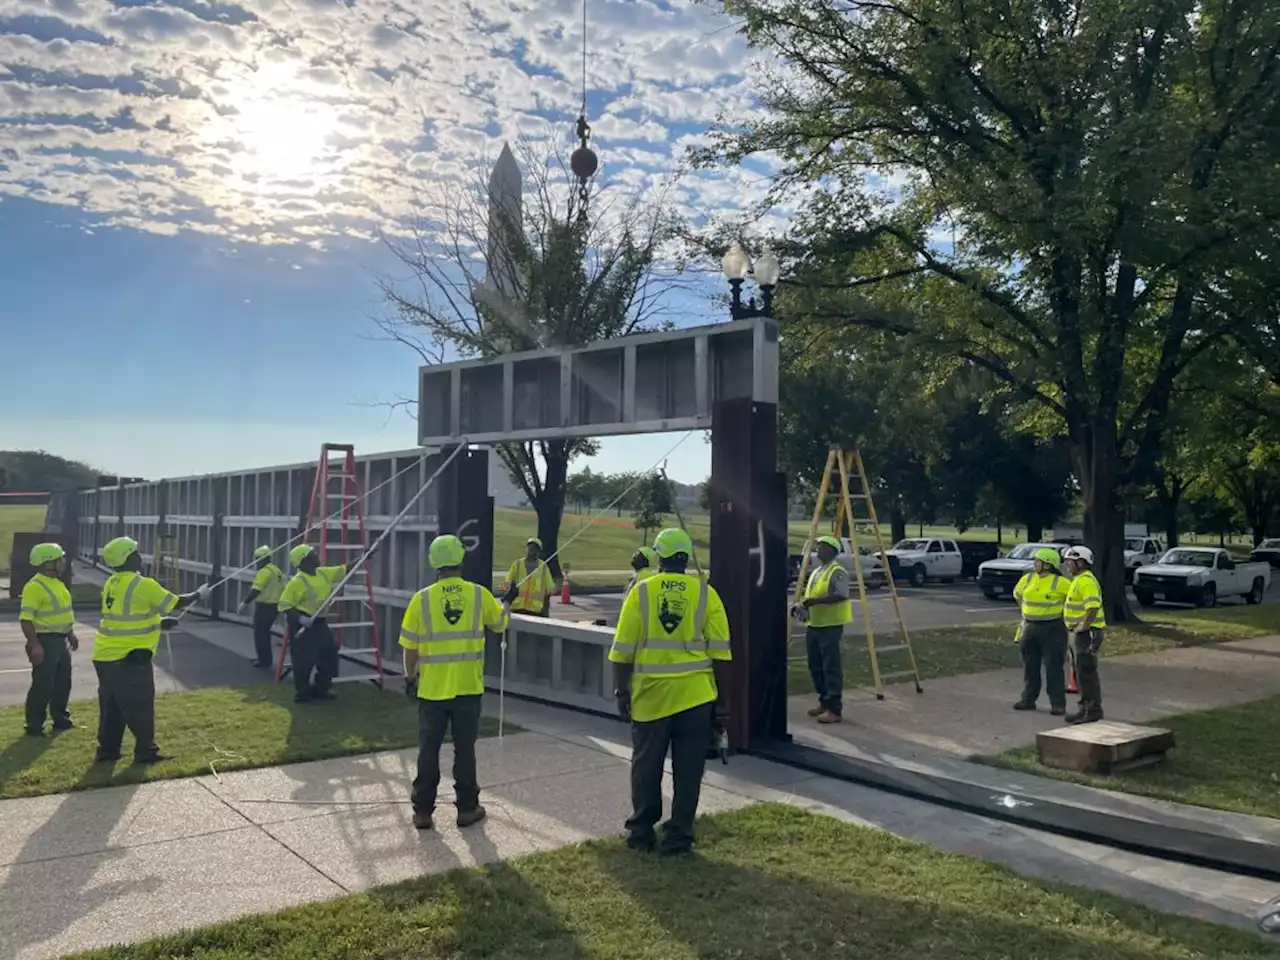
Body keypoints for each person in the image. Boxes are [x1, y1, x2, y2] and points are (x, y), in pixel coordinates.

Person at [609, 528, 732, 856]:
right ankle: (679, 836)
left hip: (651, 697)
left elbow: (622, 649)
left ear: (659, 556)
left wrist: (622, 691)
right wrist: (722, 704)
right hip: (696, 698)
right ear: (687, 556)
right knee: (689, 771)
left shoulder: (642, 592)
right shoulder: (707, 594)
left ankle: (641, 832)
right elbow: (721, 653)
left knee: (646, 766)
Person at [399, 534, 510, 831]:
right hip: (467, 688)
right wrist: (506, 603)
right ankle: (467, 808)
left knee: (428, 750)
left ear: (434, 562)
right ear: (461, 559)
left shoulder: (421, 599)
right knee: (465, 751)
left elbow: (410, 649)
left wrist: (410, 678)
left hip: (432, 690)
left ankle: (423, 811)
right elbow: (499, 624)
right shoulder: (478, 594)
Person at [93, 536, 208, 764]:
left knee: (112, 707)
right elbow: (176, 602)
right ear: (127, 558)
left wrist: (158, 622)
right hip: (130, 658)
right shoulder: (142, 584)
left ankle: (108, 751)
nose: (140, 557)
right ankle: (146, 752)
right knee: (140, 706)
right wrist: (198, 594)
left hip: (105, 656)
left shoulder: (111, 583)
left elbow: (127, 617)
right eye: (135, 553)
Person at [19, 542, 79, 737]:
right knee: (43, 684)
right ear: (47, 563)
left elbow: (62, 614)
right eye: (59, 559)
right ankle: (34, 724)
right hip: (46, 640)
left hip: (61, 640)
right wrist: (35, 644)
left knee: (63, 682)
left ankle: (60, 718)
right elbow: (26, 619)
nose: (63, 562)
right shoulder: (34, 587)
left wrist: (70, 633)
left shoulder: (58, 584)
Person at [278, 544, 346, 703]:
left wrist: (364, 557)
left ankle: (321, 689)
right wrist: (300, 618)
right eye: (312, 554)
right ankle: (303, 694)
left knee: (329, 655)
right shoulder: (297, 582)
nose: (317, 555)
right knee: (303, 661)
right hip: (303, 624)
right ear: (304, 561)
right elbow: (284, 604)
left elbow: (343, 570)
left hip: (319, 622)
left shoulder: (322, 573)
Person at [795, 536, 850, 724]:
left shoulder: (837, 571)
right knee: (816, 666)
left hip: (830, 626)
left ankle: (834, 709)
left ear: (831, 550)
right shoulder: (818, 571)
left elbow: (840, 595)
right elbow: (811, 595)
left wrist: (815, 602)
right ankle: (824, 702)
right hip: (814, 624)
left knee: (830, 667)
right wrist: (802, 607)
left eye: (821, 547)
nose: (817, 550)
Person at [1012, 547, 1070, 715]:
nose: (1035, 564)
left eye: (1038, 561)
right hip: (1029, 626)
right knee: (1030, 666)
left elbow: (1073, 601)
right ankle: (1028, 700)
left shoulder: (1061, 583)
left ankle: (1058, 704)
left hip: (1053, 628)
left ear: (1048, 565)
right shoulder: (1027, 579)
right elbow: (1018, 595)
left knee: (1054, 667)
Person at [1061, 545, 1106, 724]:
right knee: (1079, 673)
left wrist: (1084, 626)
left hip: (1087, 634)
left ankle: (1093, 710)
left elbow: (1093, 607)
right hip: (1078, 632)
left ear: (1081, 562)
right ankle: (1084, 708)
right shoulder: (1078, 580)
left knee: (1086, 672)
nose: (1066, 565)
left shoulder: (1086, 581)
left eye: (1069, 561)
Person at [237, 545, 284, 668]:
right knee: (265, 633)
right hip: (275, 606)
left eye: (257, 559)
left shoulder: (264, 572)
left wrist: (244, 603)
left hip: (265, 606)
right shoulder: (276, 570)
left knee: (260, 634)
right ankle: (266, 659)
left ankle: (263, 660)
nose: (255, 563)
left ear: (261, 559)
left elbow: (256, 590)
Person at [500, 538, 555, 616]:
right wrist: (509, 591)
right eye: (530, 547)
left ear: (539, 551)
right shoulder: (517, 564)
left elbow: (550, 590)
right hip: (517, 608)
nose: (531, 549)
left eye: (535, 547)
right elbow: (506, 585)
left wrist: (545, 611)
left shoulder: (543, 567)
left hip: (535, 611)